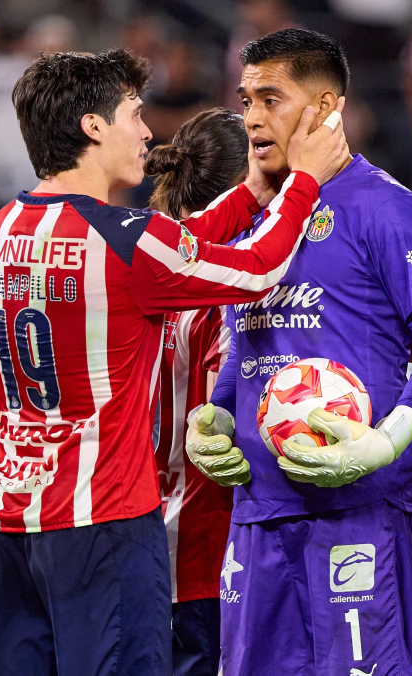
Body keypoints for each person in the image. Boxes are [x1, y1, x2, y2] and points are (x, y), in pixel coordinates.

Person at [0, 48, 350, 675]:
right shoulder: (131, 242)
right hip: (103, 524)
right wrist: (302, 181)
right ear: (93, 127)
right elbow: (257, 271)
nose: (146, 132)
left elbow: (177, 246)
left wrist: (252, 192)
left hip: (5, 522)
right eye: (133, 113)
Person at [189, 29, 412, 676]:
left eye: (270, 98)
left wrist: (388, 440)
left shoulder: (386, 207)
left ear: (324, 109)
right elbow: (251, 337)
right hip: (259, 514)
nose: (252, 117)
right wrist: (217, 414)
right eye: (245, 100)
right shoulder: (256, 215)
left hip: (358, 510)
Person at [145, 108, 252, 676]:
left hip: (144, 540)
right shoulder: (222, 291)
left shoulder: (146, 269)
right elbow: (221, 435)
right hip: (213, 551)